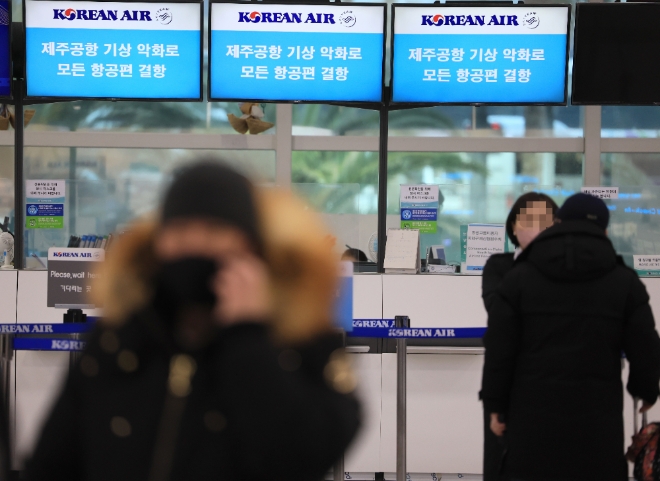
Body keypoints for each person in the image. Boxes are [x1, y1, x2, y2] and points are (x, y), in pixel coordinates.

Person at [26, 162, 361, 481]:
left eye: (214, 230)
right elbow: (53, 461)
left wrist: (248, 337)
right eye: (180, 229)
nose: (195, 242)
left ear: (251, 245)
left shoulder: (297, 337)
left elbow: (309, 454)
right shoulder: (121, 337)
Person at [481, 193, 660, 481]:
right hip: (598, 419)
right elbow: (645, 344)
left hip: (531, 417)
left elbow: (500, 347)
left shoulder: (519, 277)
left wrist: (495, 404)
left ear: (559, 223)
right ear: (604, 230)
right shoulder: (624, 280)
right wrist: (646, 389)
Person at [480, 192, 558, 481]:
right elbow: (497, 311)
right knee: (503, 462)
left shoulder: (567, 269)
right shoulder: (499, 265)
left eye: (546, 222)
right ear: (513, 225)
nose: (537, 228)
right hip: (507, 382)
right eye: (529, 220)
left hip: (554, 381)